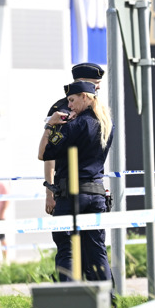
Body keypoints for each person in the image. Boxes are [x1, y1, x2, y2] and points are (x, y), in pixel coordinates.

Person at [39, 79, 114, 284]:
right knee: (97, 252)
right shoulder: (106, 123)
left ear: (84, 97)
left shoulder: (76, 124)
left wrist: (50, 125)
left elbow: (43, 153)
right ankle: (108, 303)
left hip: (72, 196)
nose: (69, 105)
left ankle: (69, 302)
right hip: (97, 195)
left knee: (67, 251)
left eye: (72, 100)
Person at [44, 62, 105, 217]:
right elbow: (49, 155)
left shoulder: (95, 111)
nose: (98, 88)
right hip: (68, 190)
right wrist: (50, 192)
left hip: (90, 188)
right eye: (96, 83)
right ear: (83, 82)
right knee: (67, 239)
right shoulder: (63, 110)